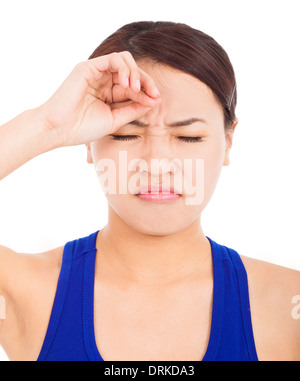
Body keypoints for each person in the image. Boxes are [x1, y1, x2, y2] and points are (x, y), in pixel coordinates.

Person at [0, 21, 299, 361]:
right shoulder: (25, 292)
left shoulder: (289, 306)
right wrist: (47, 125)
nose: (157, 163)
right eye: (125, 134)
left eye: (188, 137)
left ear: (228, 141)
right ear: (87, 141)